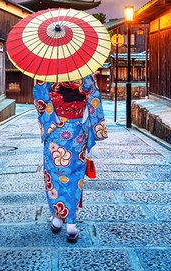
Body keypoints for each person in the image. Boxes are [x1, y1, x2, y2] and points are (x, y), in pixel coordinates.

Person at [33, 73, 107, 243]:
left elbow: (40, 99)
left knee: (54, 173)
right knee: (75, 174)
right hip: (77, 130)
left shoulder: (46, 70)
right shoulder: (85, 69)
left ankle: (58, 218)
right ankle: (71, 223)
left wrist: (52, 120)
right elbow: (93, 97)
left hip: (56, 129)